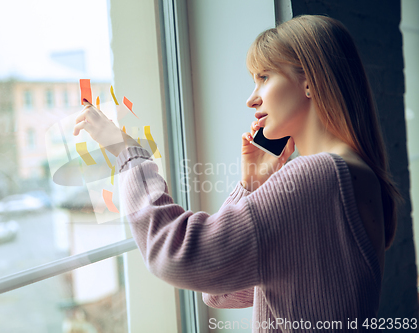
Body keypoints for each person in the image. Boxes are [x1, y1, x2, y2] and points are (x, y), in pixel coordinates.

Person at [73, 14, 404, 332]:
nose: (251, 99)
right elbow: (220, 291)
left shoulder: (318, 175)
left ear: (309, 81)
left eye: (264, 77)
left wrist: (128, 153)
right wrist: (252, 184)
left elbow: (174, 254)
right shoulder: (355, 175)